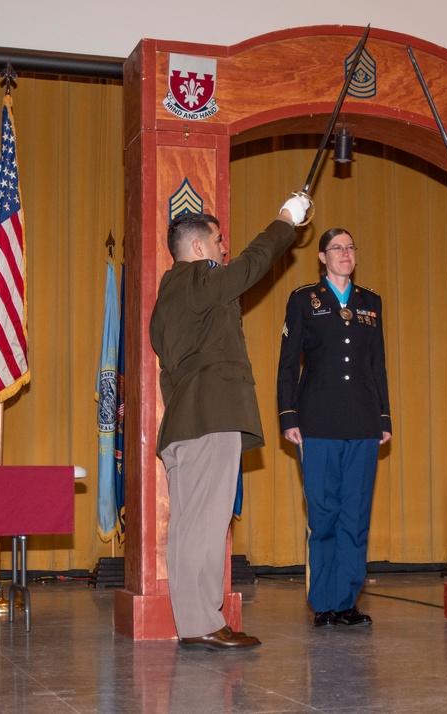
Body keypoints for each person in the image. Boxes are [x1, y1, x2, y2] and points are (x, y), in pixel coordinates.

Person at [150, 194, 310, 651]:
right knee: (205, 523)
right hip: (210, 416)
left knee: (188, 526)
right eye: (219, 241)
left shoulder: (168, 297)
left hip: (185, 422)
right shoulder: (199, 278)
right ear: (199, 249)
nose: (225, 249)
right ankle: (202, 624)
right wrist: (284, 221)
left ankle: (194, 621)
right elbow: (250, 266)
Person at [276, 227, 391, 628]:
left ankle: (347, 600)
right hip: (317, 421)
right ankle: (324, 603)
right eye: (336, 248)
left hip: (362, 420)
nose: (345, 253)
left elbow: (377, 365)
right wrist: (288, 415)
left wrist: (384, 418)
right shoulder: (304, 299)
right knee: (324, 514)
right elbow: (288, 363)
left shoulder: (370, 302)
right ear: (323, 258)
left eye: (350, 247)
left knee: (355, 515)